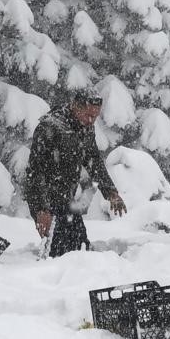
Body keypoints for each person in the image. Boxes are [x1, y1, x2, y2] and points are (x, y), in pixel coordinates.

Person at [25, 88, 126, 257]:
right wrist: (41, 209)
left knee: (80, 248)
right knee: (57, 254)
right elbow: (35, 172)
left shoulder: (85, 128)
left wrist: (110, 192)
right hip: (45, 198)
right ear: (75, 106)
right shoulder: (50, 127)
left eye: (95, 116)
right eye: (87, 115)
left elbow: (94, 161)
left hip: (66, 198)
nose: (91, 120)